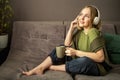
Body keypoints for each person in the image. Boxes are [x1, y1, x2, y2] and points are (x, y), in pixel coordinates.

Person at [22, 5, 111, 76]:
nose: (82, 17)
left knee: (84, 61)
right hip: (80, 59)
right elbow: (66, 44)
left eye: (87, 16)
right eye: (81, 14)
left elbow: (100, 58)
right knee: (62, 47)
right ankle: (40, 68)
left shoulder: (93, 32)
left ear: (94, 20)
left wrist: (76, 52)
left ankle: (50, 67)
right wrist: (71, 28)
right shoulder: (80, 32)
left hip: (98, 66)